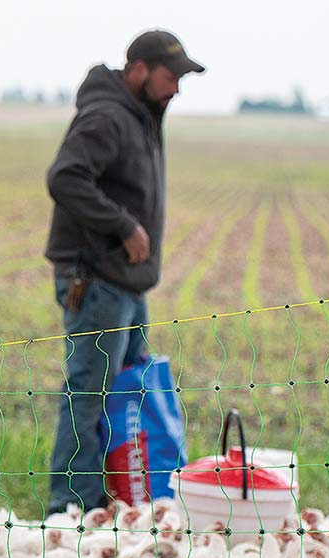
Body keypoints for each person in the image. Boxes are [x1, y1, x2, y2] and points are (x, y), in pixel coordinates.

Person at [44, 29, 203, 517]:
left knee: (125, 399)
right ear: (138, 70)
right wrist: (124, 226)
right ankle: (68, 514)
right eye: (169, 76)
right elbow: (64, 176)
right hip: (96, 281)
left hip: (127, 286)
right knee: (89, 398)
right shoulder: (109, 115)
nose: (175, 87)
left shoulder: (142, 116)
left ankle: (115, 505)